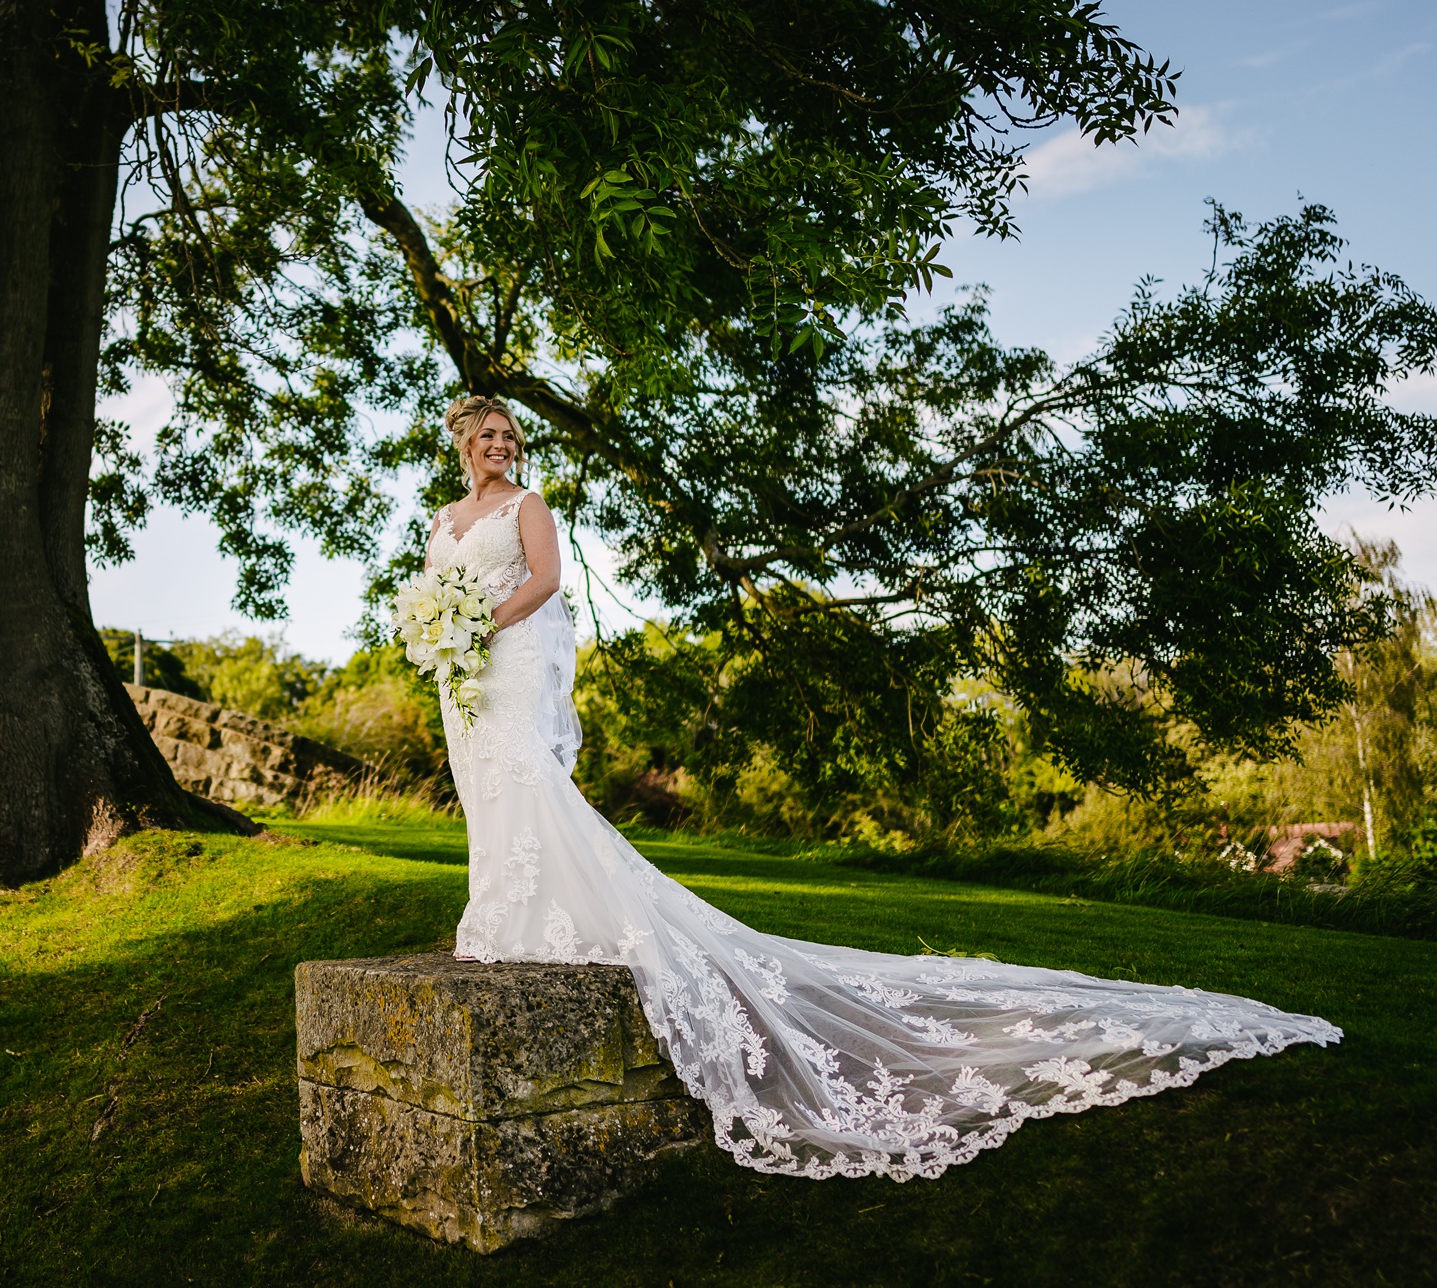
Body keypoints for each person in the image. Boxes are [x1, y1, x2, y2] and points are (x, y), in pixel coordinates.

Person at [422, 393, 1341, 1181]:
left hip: (500, 656)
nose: (501, 446)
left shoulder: (530, 505)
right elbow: (432, 588)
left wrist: (479, 625)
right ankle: (498, 916)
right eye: (488, 436)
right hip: (461, 674)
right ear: (464, 445)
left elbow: (544, 582)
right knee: (488, 791)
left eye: (509, 434)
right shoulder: (447, 519)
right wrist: (440, 634)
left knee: (530, 782)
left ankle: (538, 916)